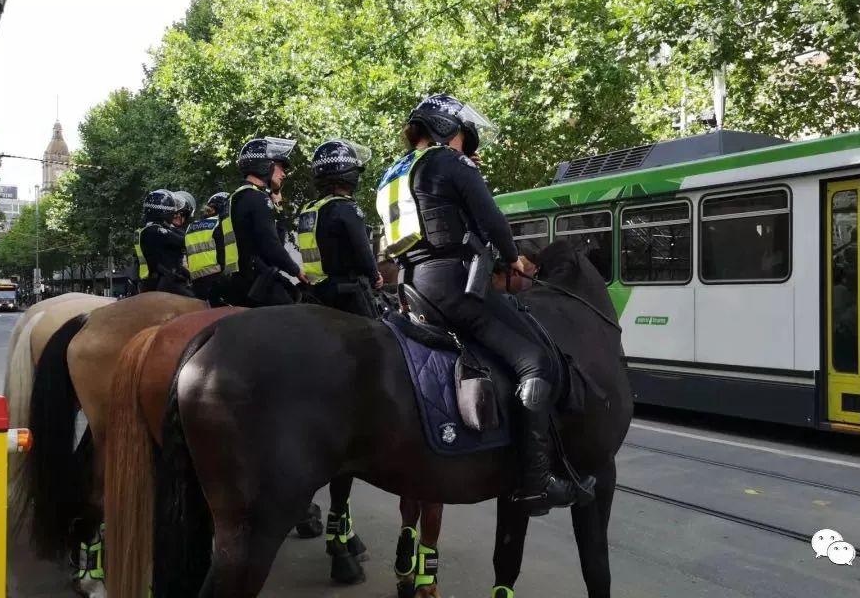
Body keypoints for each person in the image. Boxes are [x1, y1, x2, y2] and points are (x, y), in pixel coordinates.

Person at [375, 93, 594, 515]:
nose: (464, 144)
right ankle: (535, 482)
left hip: (412, 288)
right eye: (461, 135)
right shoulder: (448, 161)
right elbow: (491, 219)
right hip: (454, 287)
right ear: (444, 130)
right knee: (535, 361)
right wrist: (514, 258)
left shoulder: (394, 173)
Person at [296, 139, 384, 318]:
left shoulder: (311, 210)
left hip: (317, 292)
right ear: (348, 173)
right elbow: (362, 249)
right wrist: (375, 276)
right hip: (348, 294)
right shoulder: (346, 208)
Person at [220, 136, 308, 306]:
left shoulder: (232, 199)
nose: (284, 174)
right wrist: (296, 270)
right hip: (259, 283)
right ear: (266, 164)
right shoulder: (257, 198)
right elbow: (272, 245)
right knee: (299, 321)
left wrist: (278, 205)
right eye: (280, 167)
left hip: (237, 283)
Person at [134, 189, 194, 296]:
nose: (174, 214)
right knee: (197, 301)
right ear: (164, 211)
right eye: (172, 210)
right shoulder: (156, 230)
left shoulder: (146, 230)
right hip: (164, 282)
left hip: (150, 281)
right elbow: (183, 241)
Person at [185, 192, 230, 307]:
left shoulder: (191, 227)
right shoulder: (221, 224)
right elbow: (224, 254)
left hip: (196, 283)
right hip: (218, 279)